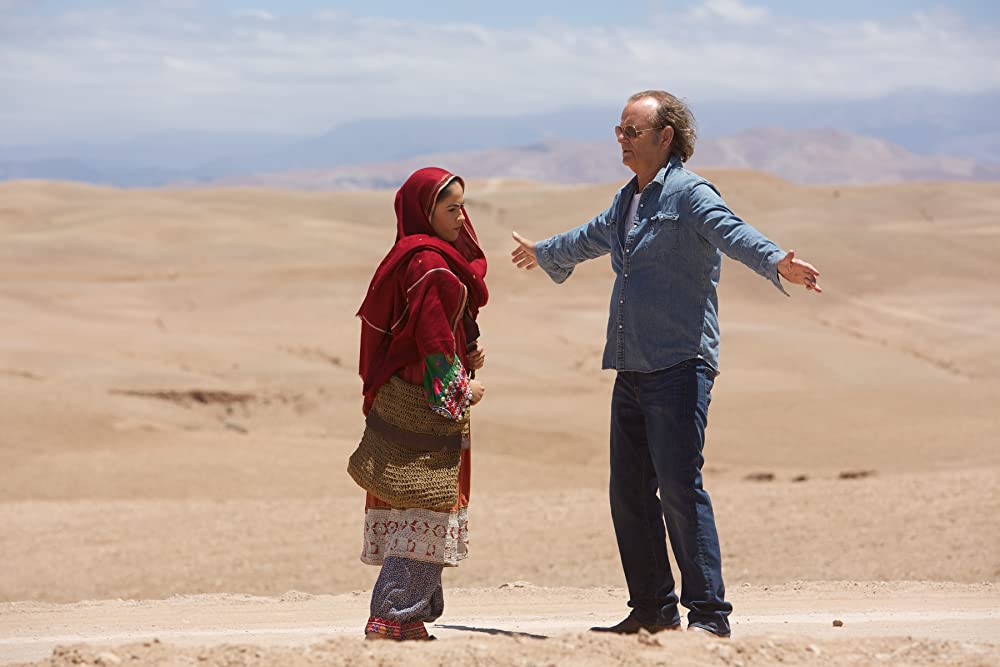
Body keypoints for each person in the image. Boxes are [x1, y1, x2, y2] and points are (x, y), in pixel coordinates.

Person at [510, 90, 821, 638]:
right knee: (628, 492)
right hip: (631, 365)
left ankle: (709, 617)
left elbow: (734, 233)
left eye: (632, 131)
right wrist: (544, 252)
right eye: (619, 131)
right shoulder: (628, 198)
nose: (622, 140)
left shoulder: (689, 194)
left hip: (680, 364)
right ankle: (652, 608)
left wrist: (776, 261)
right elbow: (590, 237)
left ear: (665, 137)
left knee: (679, 486)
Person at [354, 167, 488, 641]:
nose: (460, 217)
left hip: (406, 397)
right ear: (424, 212)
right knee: (428, 504)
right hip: (426, 405)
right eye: (450, 208)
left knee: (415, 503)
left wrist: (465, 350)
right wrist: (460, 388)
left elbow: (435, 333)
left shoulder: (414, 256)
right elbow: (431, 345)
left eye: (461, 206)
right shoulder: (428, 265)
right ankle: (392, 615)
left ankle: (408, 617)